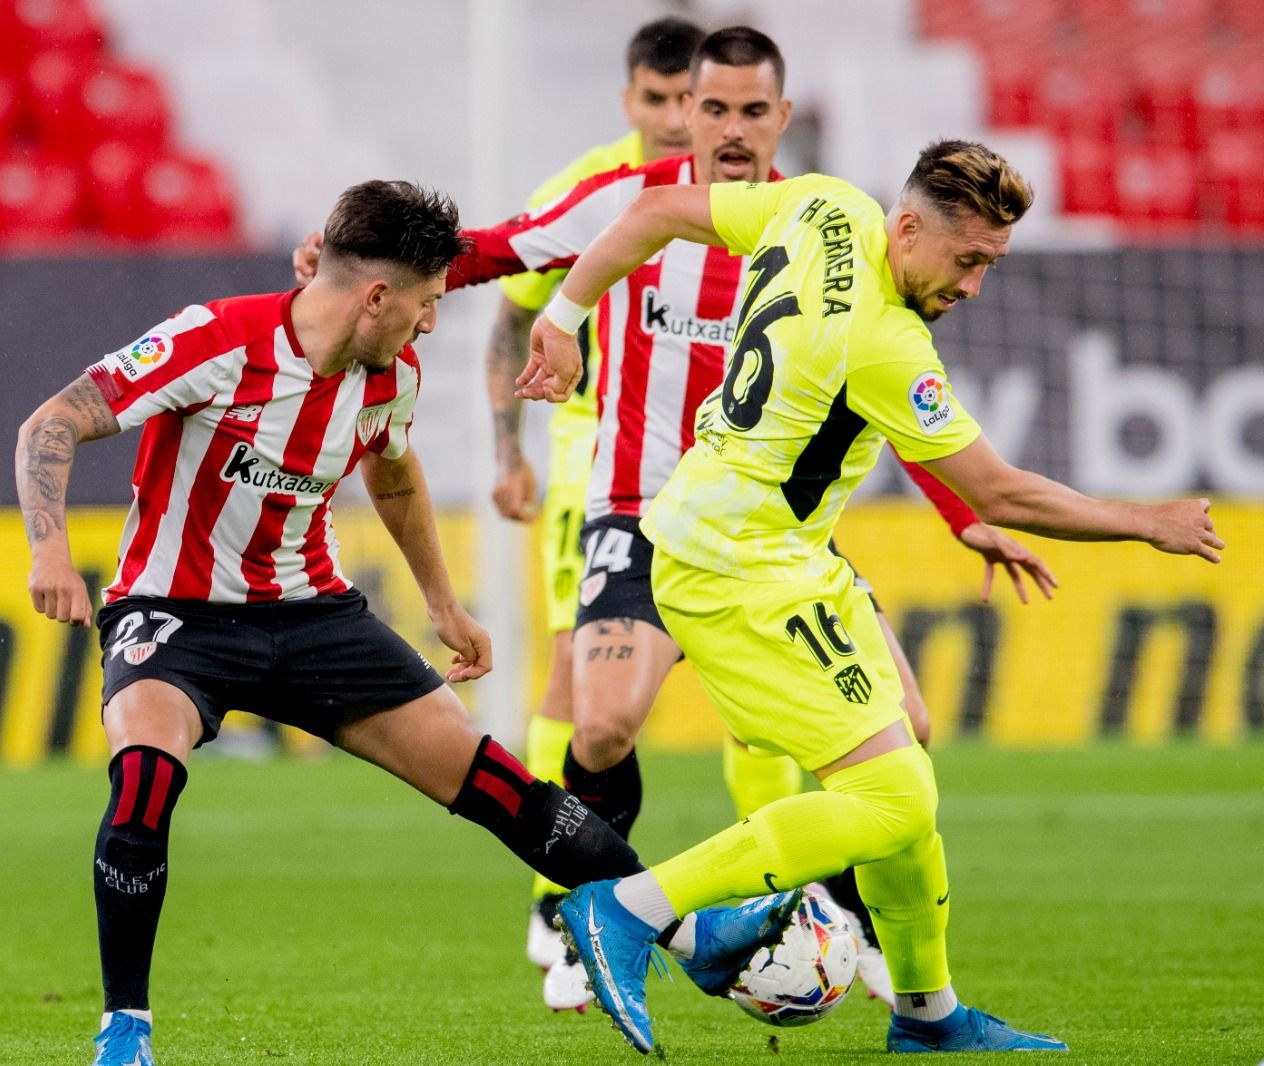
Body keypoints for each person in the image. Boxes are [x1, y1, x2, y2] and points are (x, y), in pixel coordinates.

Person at [384, 25, 1057, 1009]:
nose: (729, 130)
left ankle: (851, 935)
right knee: (604, 722)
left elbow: (887, 395)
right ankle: (589, 914)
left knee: (885, 733)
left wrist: (962, 512)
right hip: (637, 508)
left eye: (752, 111)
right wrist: (359, 262)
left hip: (774, 541)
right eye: (709, 108)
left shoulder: (820, 227)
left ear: (781, 118)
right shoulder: (630, 204)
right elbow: (497, 254)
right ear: (677, 112)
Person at [520, 139, 1223, 1054]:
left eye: (991, 265)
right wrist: (1145, 522)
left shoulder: (819, 204)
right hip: (737, 566)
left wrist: (567, 313)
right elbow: (1001, 491)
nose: (973, 287)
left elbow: (655, 213)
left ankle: (928, 1017)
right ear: (909, 227)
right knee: (891, 797)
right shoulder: (886, 342)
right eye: (968, 259)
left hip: (772, 546)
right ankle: (629, 907)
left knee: (906, 781)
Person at [15, 180, 696, 1066]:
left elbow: (395, 476)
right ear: (376, 296)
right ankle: (125, 1030)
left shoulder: (388, 375)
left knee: (493, 784)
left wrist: (445, 605)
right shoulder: (215, 340)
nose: (429, 325)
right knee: (144, 781)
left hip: (311, 618)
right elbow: (54, 423)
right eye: (423, 304)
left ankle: (690, 935)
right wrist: (48, 552)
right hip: (176, 615)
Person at [480, 14, 706, 990]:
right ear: (628, 101)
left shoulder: (753, 200)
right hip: (594, 461)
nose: (667, 119)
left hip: (717, 477)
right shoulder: (593, 195)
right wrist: (508, 450)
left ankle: (835, 903)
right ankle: (559, 897)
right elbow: (510, 318)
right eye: (651, 101)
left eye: (682, 101)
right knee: (576, 673)